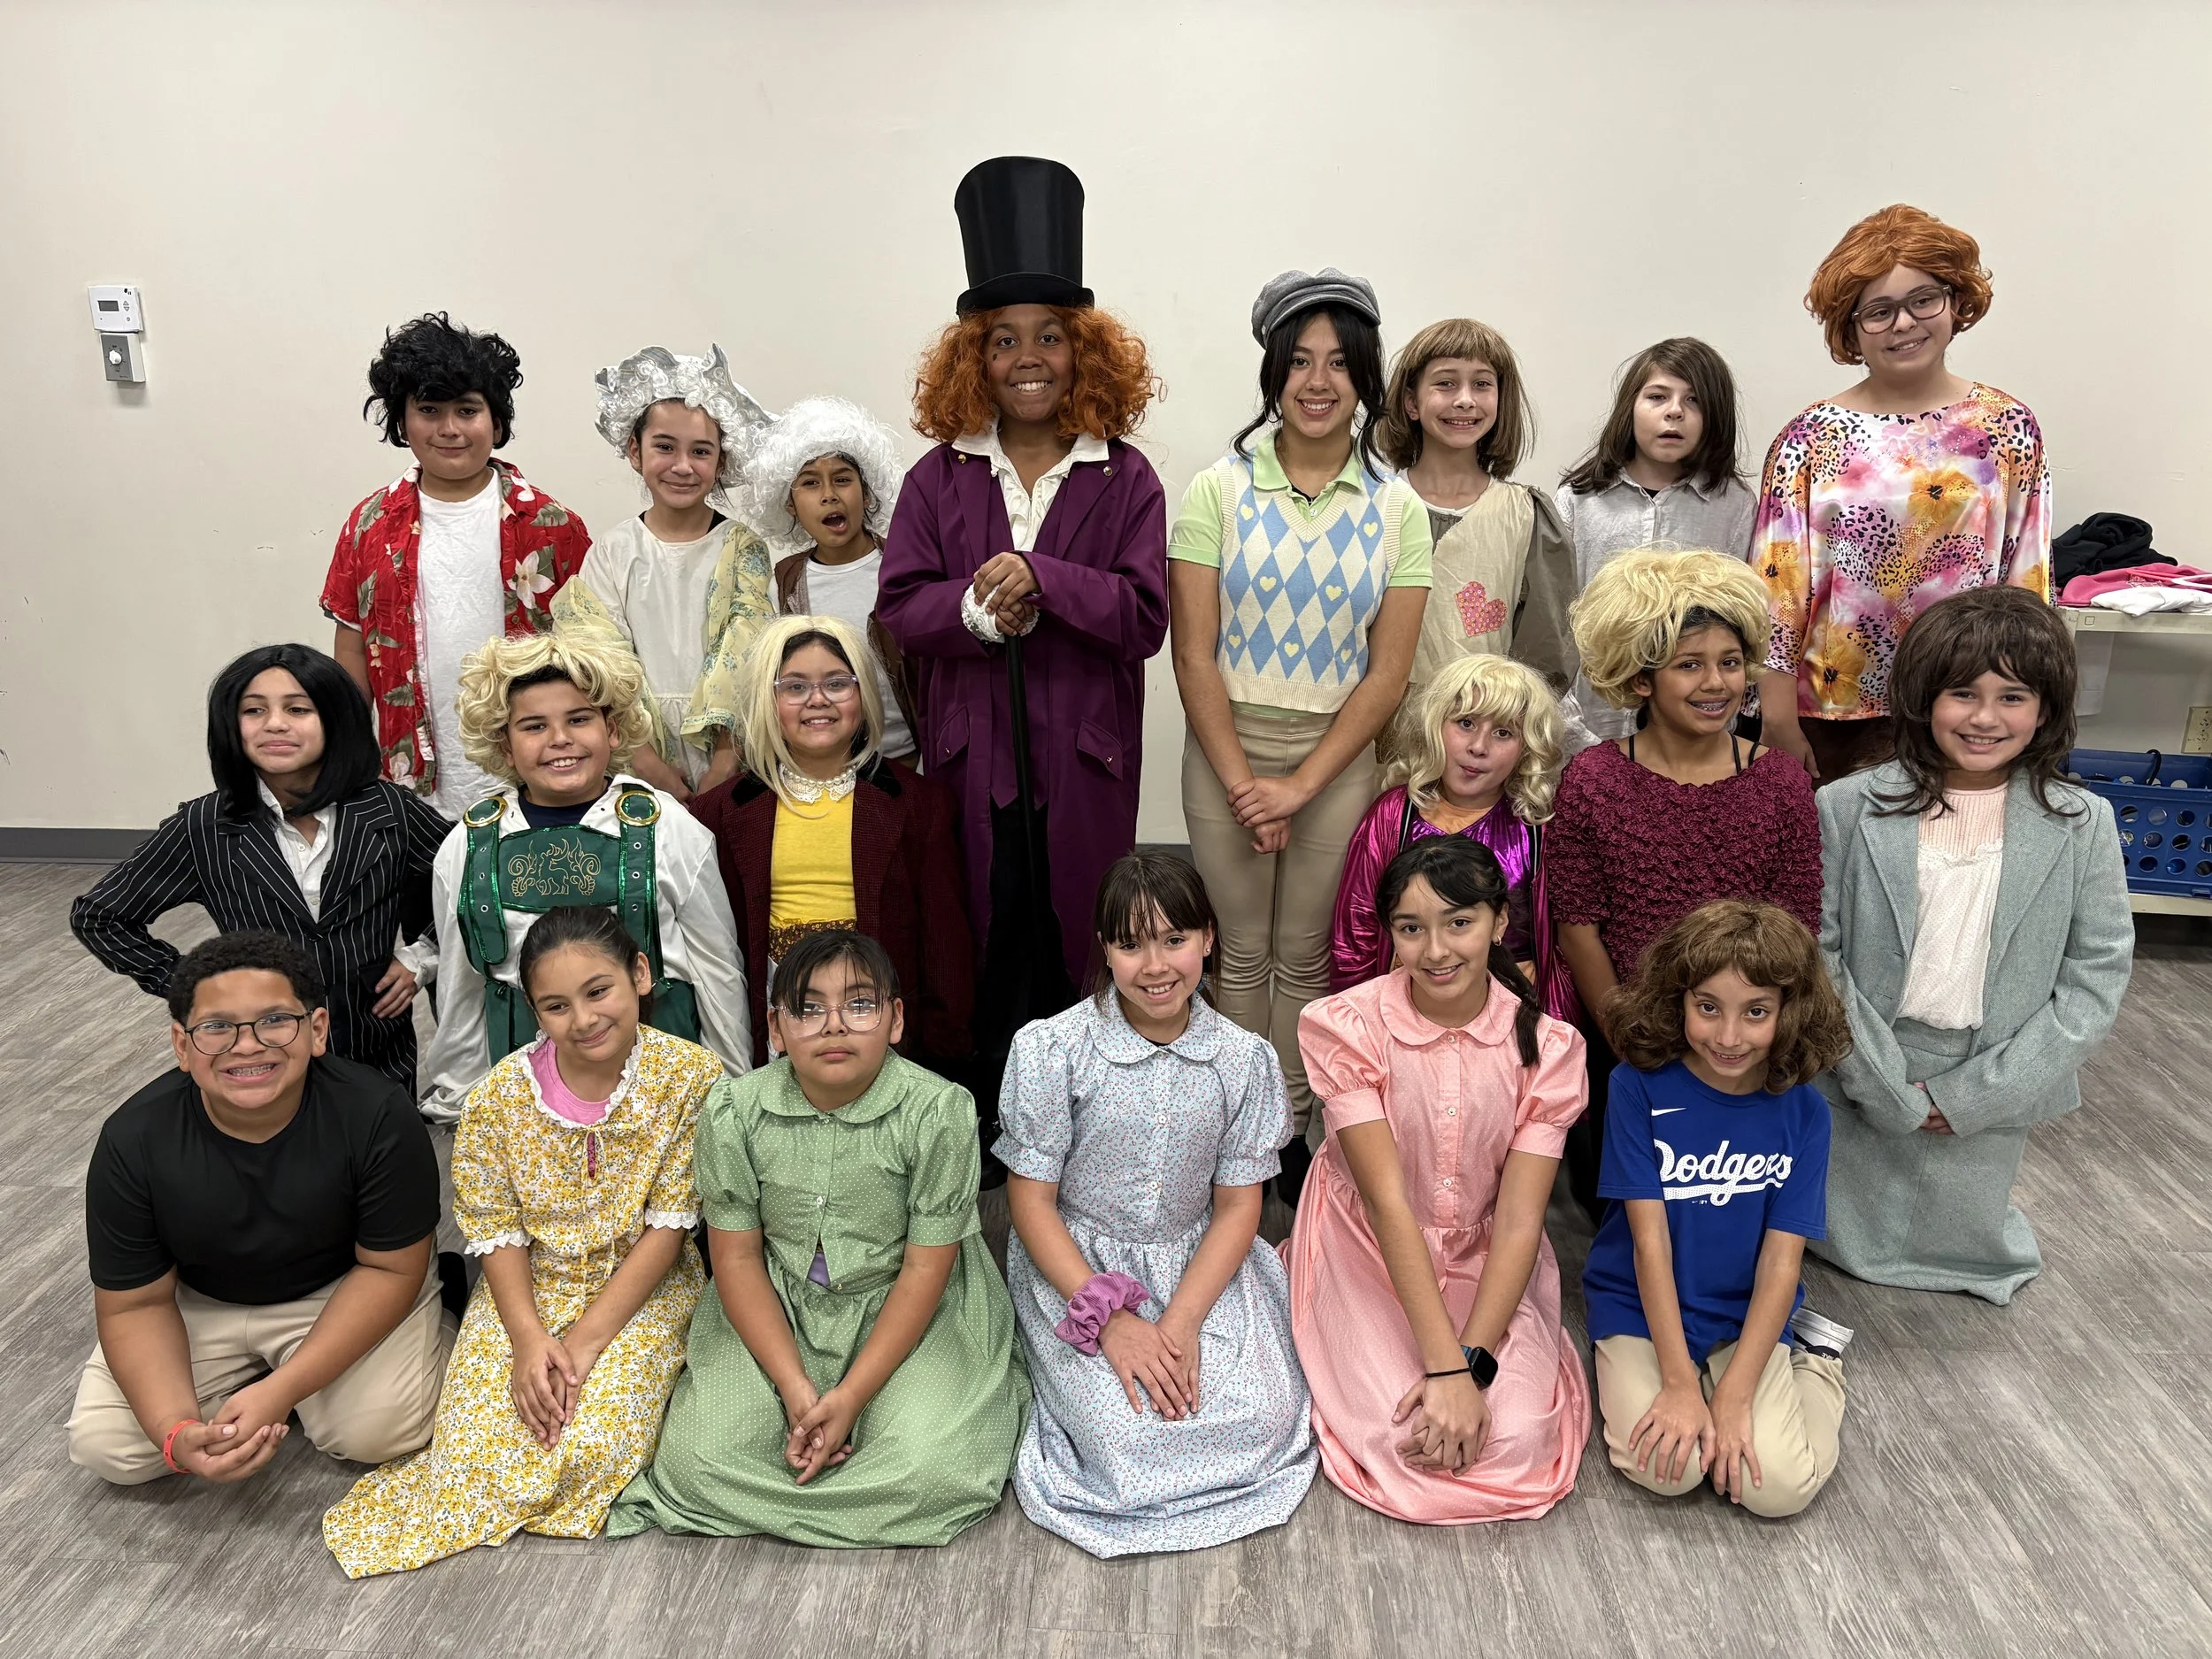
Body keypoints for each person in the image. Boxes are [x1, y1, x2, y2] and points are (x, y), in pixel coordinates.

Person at [878, 155, 1169, 1132]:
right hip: (969, 763)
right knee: (980, 940)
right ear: (977, 360)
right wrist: (973, 609)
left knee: (1077, 940)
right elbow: (900, 609)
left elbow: (1142, 618)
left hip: (1082, 760)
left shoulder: (1125, 479)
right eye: (1004, 340)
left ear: (1084, 353)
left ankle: (1085, 1128)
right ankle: (989, 1139)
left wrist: (1048, 578)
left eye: (1050, 336)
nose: (1028, 356)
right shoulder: (937, 479)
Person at [324, 906, 718, 1575]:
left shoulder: (694, 1080)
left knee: (593, 1441)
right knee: (473, 1444)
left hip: (642, 1286)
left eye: (599, 991)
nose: (584, 1019)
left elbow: (667, 1227)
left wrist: (585, 1344)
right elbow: (498, 1234)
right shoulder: (498, 1098)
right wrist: (531, 1340)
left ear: (641, 975)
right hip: (527, 1289)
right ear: (533, 1009)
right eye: (556, 1005)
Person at [605, 931, 1029, 1548]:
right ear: (775, 1029)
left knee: (929, 1469)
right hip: (777, 1309)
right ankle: (839, 1474)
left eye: (859, 1004)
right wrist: (798, 1389)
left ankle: (833, 1461)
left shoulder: (938, 1111)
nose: (834, 1025)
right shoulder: (733, 1109)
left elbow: (921, 1271)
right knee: (696, 1460)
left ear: (895, 1018)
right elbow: (740, 1258)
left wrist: (851, 1395)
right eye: (808, 1008)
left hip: (912, 1309)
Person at [1170, 267, 1432, 1204]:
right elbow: (1193, 656)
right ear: (1272, 373)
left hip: (1336, 759)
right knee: (1238, 954)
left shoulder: (1396, 508)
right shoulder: (1217, 489)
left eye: (1338, 364)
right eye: (1298, 362)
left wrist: (1301, 785)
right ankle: (1235, 1130)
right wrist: (1247, 781)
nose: (1317, 382)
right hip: (1227, 749)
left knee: (1308, 954)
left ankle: (1285, 1134)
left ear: (1364, 378)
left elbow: (1387, 673)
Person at [1815, 586, 2131, 1302]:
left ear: (2046, 708)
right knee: (1837, 1224)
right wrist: (1875, 1075)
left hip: (1994, 1068)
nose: (1986, 718)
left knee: (1959, 1224)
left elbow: (2095, 979)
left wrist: (1975, 1095)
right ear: (1925, 698)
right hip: (1865, 1058)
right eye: (1963, 692)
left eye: (2013, 696)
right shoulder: (1845, 806)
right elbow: (1816, 953)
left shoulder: (2085, 824)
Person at [997, 853, 1317, 1556]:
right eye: (1131, 942)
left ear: (1207, 938)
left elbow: (1239, 1210)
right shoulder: (1055, 1050)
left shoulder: (1243, 1060)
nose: (1155, 964)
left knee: (1259, 1411)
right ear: (1104, 951)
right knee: (1127, 1431)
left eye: (1174, 938)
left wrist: (1180, 1322)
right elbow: (1032, 1202)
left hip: (1197, 1262)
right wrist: (1110, 1322)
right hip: (1077, 1263)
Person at [68, 931, 450, 1485]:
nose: (246, 1045)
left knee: (377, 1434)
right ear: (182, 1045)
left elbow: (390, 1268)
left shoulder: (376, 1115)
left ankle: (425, 1324)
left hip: (342, 1288)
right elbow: (136, 1305)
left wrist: (283, 1389)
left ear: (316, 1030)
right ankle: (274, 1386)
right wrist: (175, 1432)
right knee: (113, 1450)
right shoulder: (133, 1139)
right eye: (217, 1027)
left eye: (275, 1020)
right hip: (201, 1301)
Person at [1286, 836, 1588, 1525]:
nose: (1436, 950)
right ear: (1389, 931)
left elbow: (1517, 1222)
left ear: (1500, 922)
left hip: (1486, 1254)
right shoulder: (1349, 1026)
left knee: (1511, 1438)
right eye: (1410, 927)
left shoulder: (1549, 1046)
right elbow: (1386, 1203)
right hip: (1370, 1245)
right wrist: (1444, 1371)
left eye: (1460, 922)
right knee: (1404, 1434)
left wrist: (1472, 1363)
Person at [1549, 548, 1823, 1216]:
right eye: (1690, 664)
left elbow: (1798, 929)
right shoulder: (1593, 779)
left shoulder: (1781, 782)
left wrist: (1743, 1037)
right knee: (1617, 1211)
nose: (1717, 683)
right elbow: (1578, 927)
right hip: (1628, 1047)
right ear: (1641, 678)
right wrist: (1630, 1038)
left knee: (1728, 1219)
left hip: (1745, 1044)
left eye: (1731, 662)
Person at [1754, 204, 2053, 786]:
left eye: (1924, 299)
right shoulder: (1811, 438)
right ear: (1850, 326)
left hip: (1968, 703)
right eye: (1879, 310)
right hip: (1829, 713)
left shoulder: (2007, 428)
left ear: (1956, 300)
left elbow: (2028, 579)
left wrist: (2023, 701)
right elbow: (1774, 591)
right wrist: (1777, 719)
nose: (1904, 323)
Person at [72, 643, 449, 1093]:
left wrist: (421, 956)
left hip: (378, 1057)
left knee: (383, 1158)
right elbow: (101, 916)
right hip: (260, 1065)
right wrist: (195, 987)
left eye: (298, 709)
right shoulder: (206, 826)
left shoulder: (390, 810)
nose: (275, 723)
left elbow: (474, 882)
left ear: (336, 719)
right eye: (254, 710)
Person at [1581, 901, 1855, 1518]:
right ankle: (1695, 1382)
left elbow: (1783, 1264)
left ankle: (1820, 1365)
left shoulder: (1806, 1113)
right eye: (1709, 1007)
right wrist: (1680, 1383)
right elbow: (1649, 1244)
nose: (1729, 1036)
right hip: (1639, 1306)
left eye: (1756, 1012)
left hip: (1744, 1313)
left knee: (1776, 1490)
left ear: (1789, 1012)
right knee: (1671, 1470)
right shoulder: (1636, 1085)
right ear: (1677, 1000)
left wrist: (1733, 1395)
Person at [419, 633, 748, 1122]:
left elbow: (717, 968)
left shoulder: (668, 827)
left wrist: (731, 1093)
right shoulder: (466, 846)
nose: (560, 739)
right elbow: (462, 988)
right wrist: (462, 1099)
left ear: (612, 731)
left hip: (664, 1099)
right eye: (533, 726)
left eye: (578, 719)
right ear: (504, 746)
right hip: (527, 1111)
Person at [322, 311, 592, 818]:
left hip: (533, 780)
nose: (449, 429)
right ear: (403, 420)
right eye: (429, 409)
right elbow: (351, 651)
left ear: (496, 420)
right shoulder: (368, 525)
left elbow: (591, 652)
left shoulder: (553, 525)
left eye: (467, 411)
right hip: (411, 780)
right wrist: (348, 755)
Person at [687, 615, 973, 1071]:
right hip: (770, 1026)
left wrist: (944, 1060)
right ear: (769, 698)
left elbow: (945, 949)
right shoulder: (719, 812)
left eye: (837, 684)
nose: (817, 700)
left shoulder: (920, 804)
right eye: (795, 687)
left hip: (882, 1028)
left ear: (862, 696)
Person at [553, 344, 776, 798]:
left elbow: (751, 651)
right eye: (664, 447)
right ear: (635, 451)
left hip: (731, 747)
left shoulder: (741, 548)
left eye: (700, 451)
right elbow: (598, 658)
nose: (682, 466)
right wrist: (645, 760)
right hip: (635, 748)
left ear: (721, 461)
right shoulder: (614, 551)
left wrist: (726, 758)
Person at [1329, 654, 1576, 1023]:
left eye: (1503, 732)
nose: (1479, 746)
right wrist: (1361, 1026)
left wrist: (1548, 1029)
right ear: (1434, 725)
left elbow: (1566, 950)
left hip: (1509, 1014)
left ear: (1527, 747)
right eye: (1465, 723)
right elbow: (1355, 933)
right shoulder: (1394, 815)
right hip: (1408, 1008)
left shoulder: (1538, 826)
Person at [1371, 317, 1577, 717]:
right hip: (1375, 737)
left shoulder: (1526, 517)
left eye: (1482, 384)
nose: (1465, 399)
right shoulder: (1374, 506)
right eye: (1446, 383)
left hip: (1486, 733)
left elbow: (1546, 654)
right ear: (1412, 403)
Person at [1555, 338, 1758, 742]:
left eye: (1695, 400)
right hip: (1593, 723)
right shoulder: (1578, 500)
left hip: (1695, 725)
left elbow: (1741, 623)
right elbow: (1560, 621)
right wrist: (1569, 725)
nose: (1675, 412)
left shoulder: (1733, 505)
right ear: (1630, 407)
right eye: (1657, 396)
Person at [736, 396, 917, 762]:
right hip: (826, 764)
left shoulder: (905, 567)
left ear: (866, 493)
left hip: (907, 759)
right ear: (789, 503)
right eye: (810, 483)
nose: (829, 495)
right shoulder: (785, 582)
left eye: (842, 480)